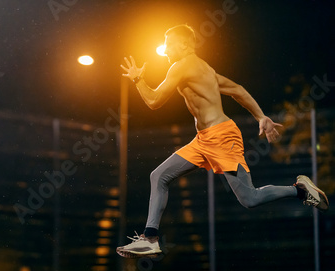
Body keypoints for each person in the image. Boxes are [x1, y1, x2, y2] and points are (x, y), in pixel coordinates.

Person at [116, 24, 329, 258]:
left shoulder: (182, 65)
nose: (165, 50)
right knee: (159, 176)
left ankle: (299, 190)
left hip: (221, 137)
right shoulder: (204, 69)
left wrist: (138, 79)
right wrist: (260, 116)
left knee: (250, 198)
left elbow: (154, 101)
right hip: (203, 140)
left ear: (185, 44)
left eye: (168, 44)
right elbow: (237, 89)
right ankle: (150, 238)